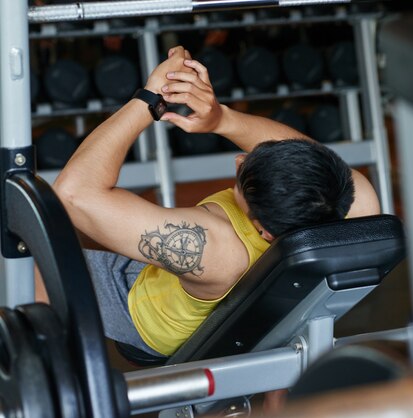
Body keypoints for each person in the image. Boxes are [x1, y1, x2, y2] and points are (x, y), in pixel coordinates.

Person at [45, 46, 381, 358]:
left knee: (23, 256)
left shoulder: (212, 246)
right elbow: (307, 153)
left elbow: (73, 195)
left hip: (139, 308)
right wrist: (221, 119)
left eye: (242, 179)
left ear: (263, 231)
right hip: (218, 298)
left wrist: (150, 98)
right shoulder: (352, 200)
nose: (239, 159)